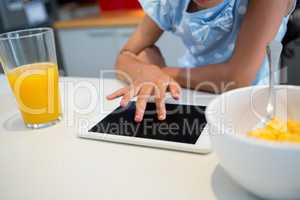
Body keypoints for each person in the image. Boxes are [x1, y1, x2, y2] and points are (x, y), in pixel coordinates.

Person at [107, 0, 297, 122]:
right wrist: (146, 71)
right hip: (189, 97)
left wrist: (158, 71)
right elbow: (126, 55)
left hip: (252, 106)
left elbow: (238, 78)